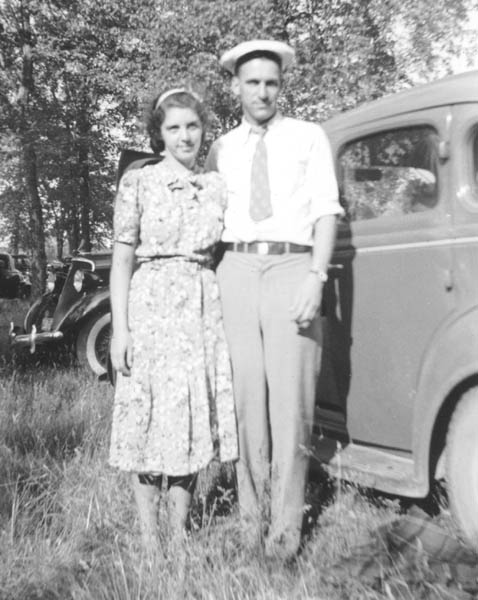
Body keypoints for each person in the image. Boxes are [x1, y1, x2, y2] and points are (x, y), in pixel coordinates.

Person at [206, 40, 343, 560]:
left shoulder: (309, 137)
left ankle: (285, 530)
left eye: (271, 82)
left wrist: (315, 276)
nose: (262, 92)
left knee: (291, 404)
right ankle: (250, 519)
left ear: (281, 86)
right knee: (246, 401)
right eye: (253, 82)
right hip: (236, 268)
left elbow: (326, 211)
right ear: (235, 87)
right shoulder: (220, 149)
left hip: (292, 266)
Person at [109, 88, 238, 551]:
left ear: (204, 130)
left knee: (189, 418)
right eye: (174, 127)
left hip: (200, 312)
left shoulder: (216, 187)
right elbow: (122, 260)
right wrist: (120, 330)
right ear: (159, 134)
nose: (185, 136)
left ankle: (179, 533)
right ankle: (149, 538)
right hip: (150, 309)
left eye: (192, 126)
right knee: (148, 419)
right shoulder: (138, 182)